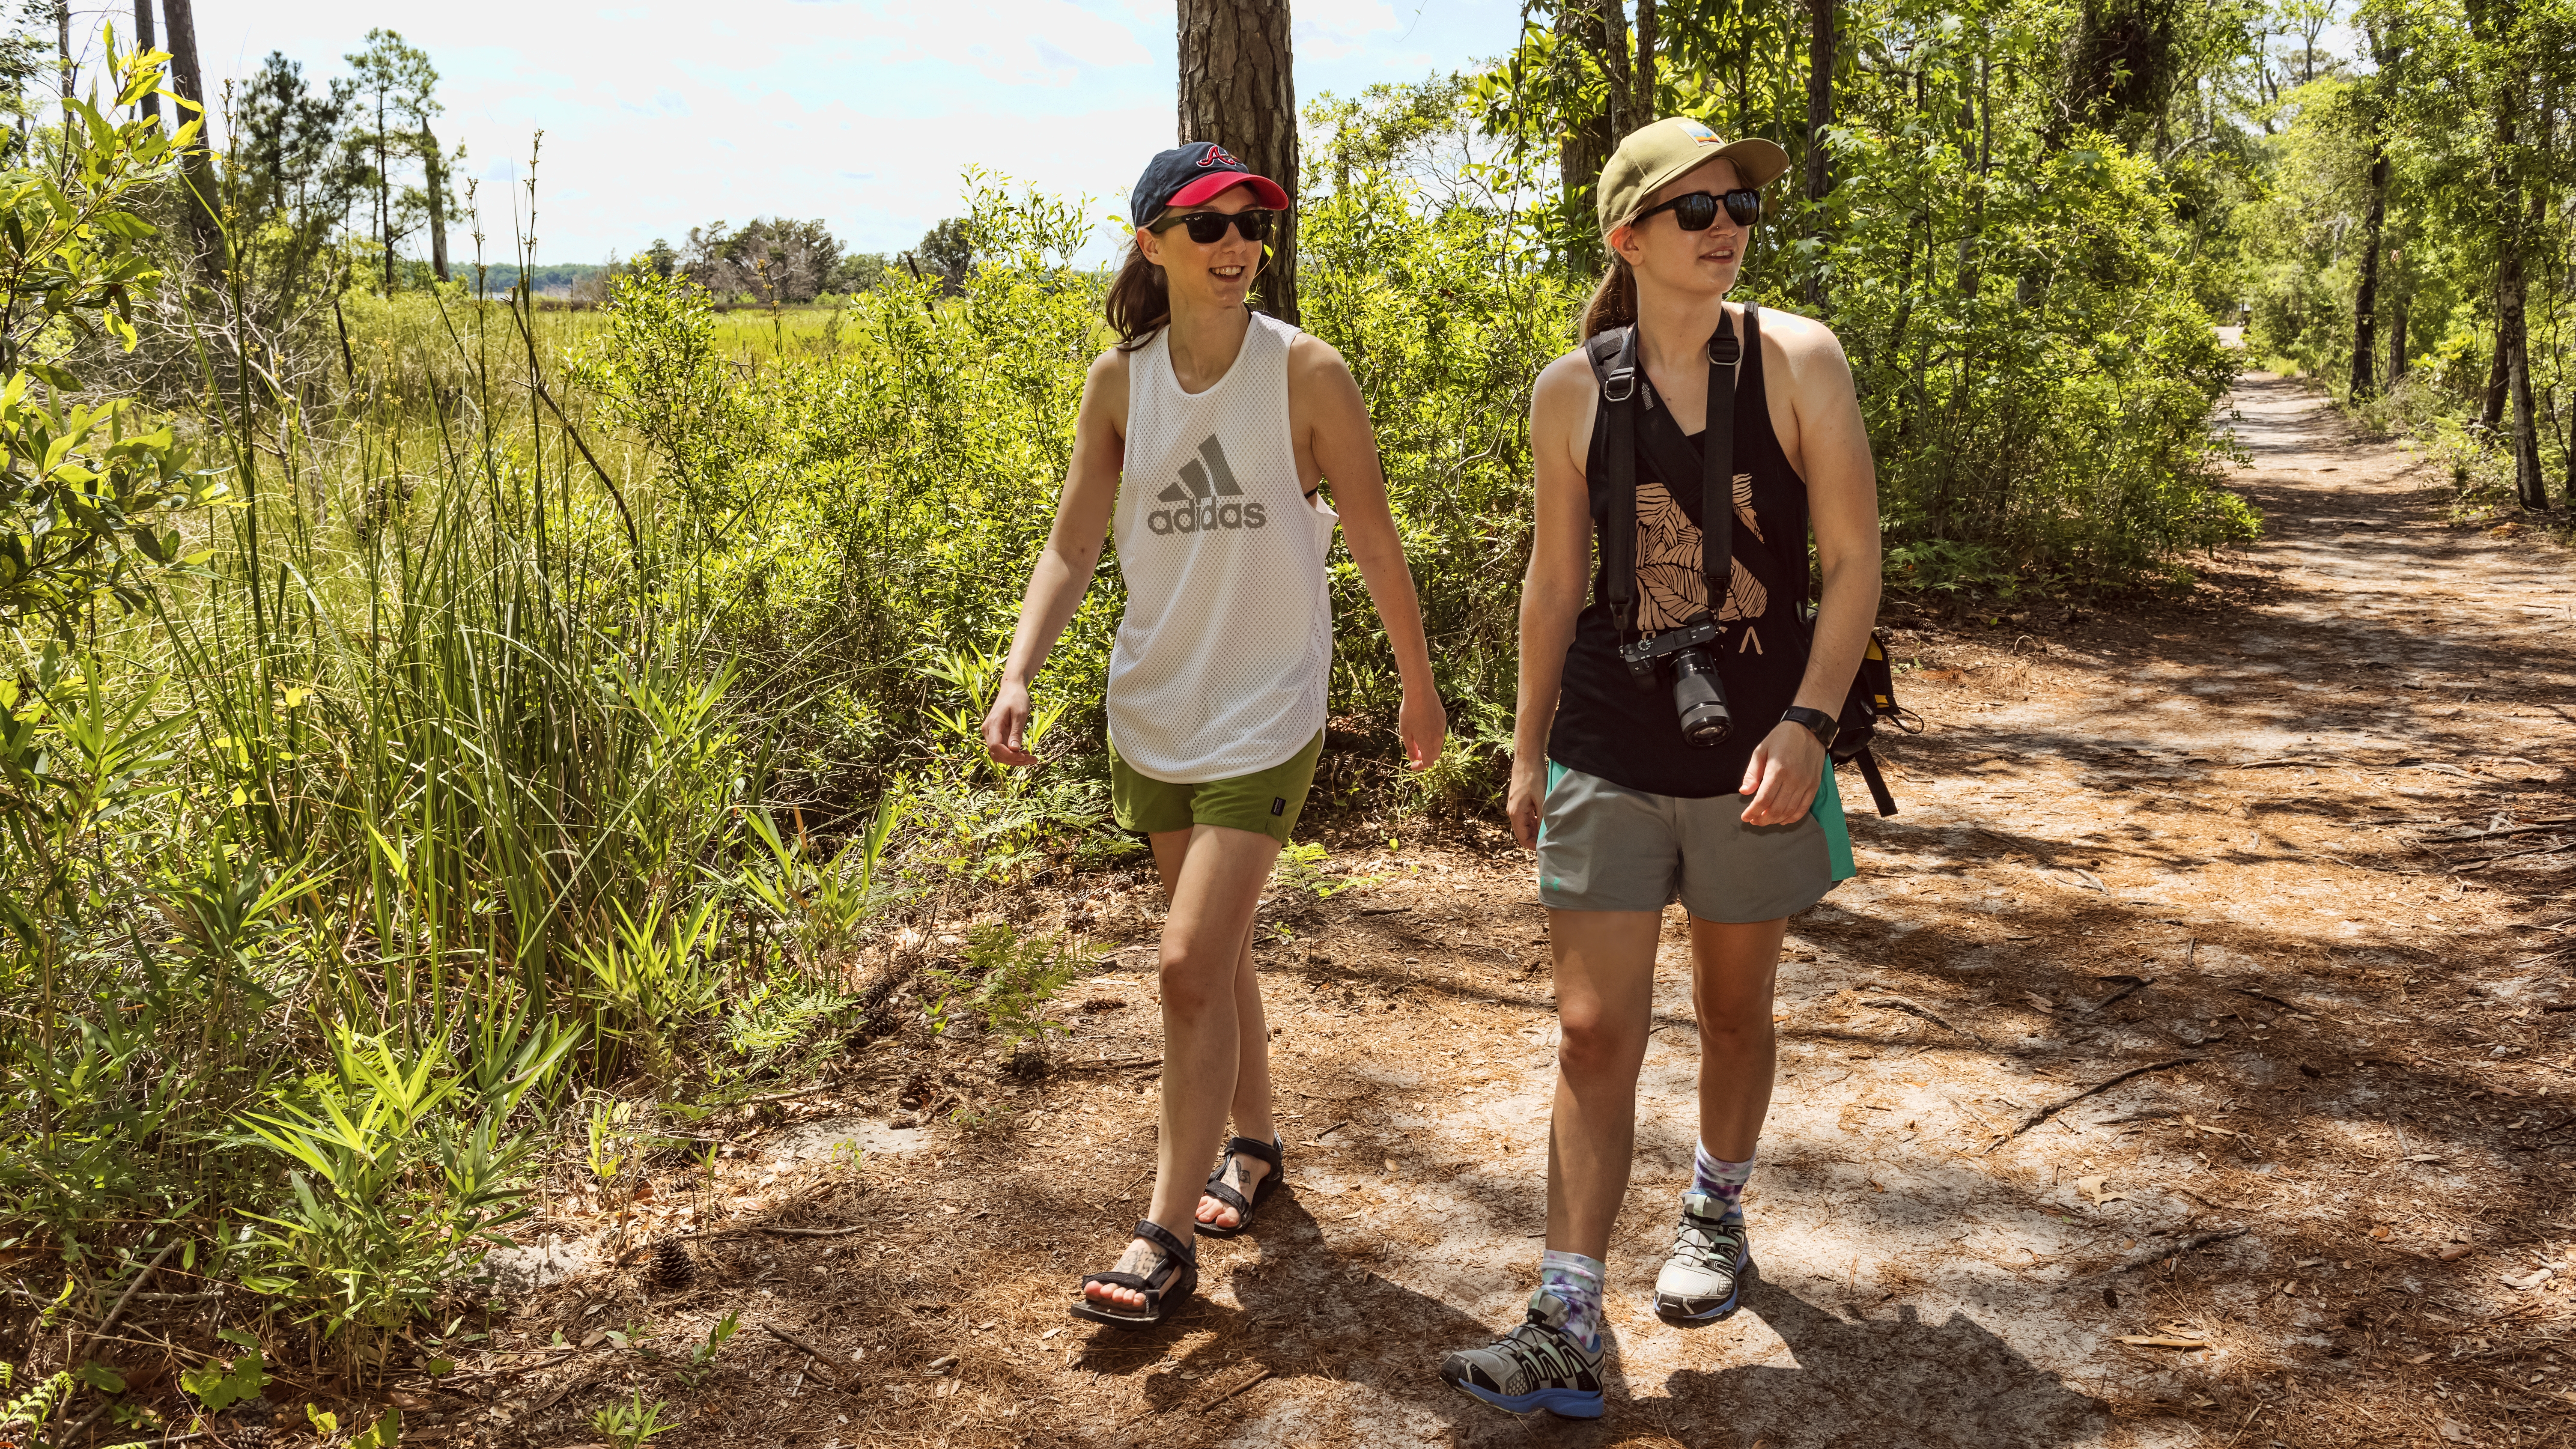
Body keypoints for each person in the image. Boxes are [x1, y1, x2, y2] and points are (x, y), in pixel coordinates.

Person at [1436, 117, 1881, 1418]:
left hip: (1760, 746)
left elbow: (1852, 566)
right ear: (1629, 240)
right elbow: (1556, 581)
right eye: (1696, 212)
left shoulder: (1800, 360)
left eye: (1739, 206)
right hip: (1609, 740)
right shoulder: (1572, 390)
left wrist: (1807, 723)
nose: (1727, 228)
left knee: (1736, 1010)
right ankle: (1567, 1310)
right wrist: (1526, 746)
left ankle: (1716, 1207)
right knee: (1589, 1031)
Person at [981, 142, 1446, 1330]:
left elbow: (1376, 536)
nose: (1238, 244)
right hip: (1157, 707)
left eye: (1251, 224)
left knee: (1187, 962)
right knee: (1218, 948)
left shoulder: (1307, 374)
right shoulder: (1116, 384)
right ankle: (1254, 1141)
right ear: (1153, 244)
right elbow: (1073, 541)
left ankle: (1163, 1233)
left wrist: (1417, 685)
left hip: (1266, 706)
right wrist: (1021, 667)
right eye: (1208, 226)